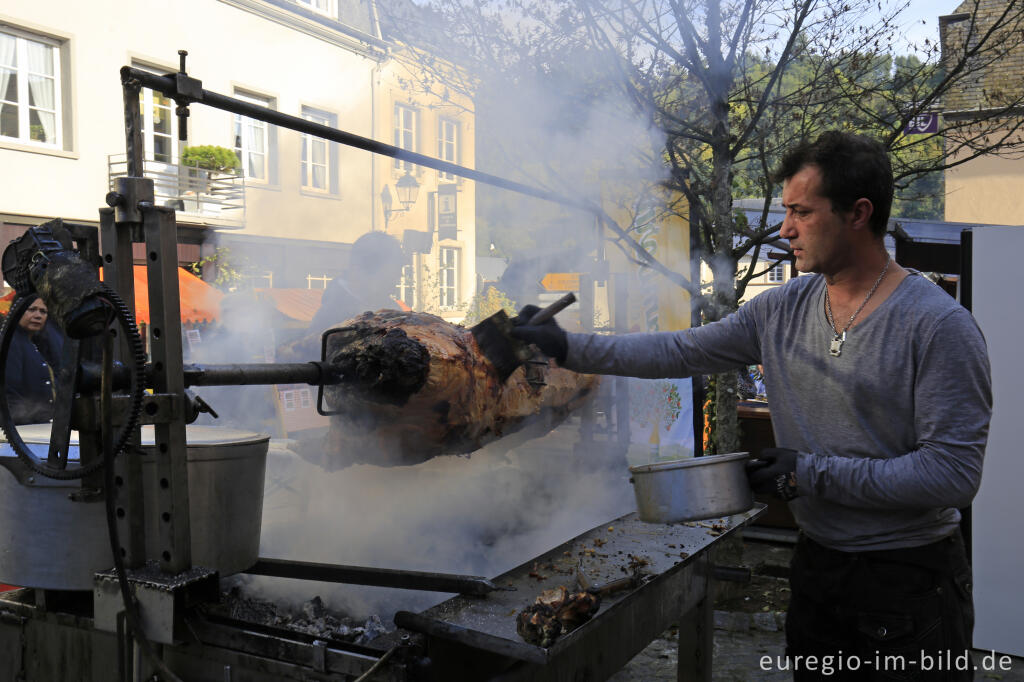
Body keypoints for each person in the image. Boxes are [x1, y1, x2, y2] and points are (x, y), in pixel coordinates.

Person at [511, 131, 992, 680]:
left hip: (908, 584)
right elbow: (680, 349)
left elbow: (952, 475)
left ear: (859, 213)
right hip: (817, 567)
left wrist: (810, 474)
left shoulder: (938, 326)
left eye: (801, 212)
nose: (785, 228)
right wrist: (569, 346)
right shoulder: (782, 308)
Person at [5, 295, 64, 425]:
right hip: (22, 429)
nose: (38, 315)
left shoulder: (36, 344)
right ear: (17, 311)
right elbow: (9, 391)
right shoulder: (11, 343)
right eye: (31, 309)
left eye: (43, 311)